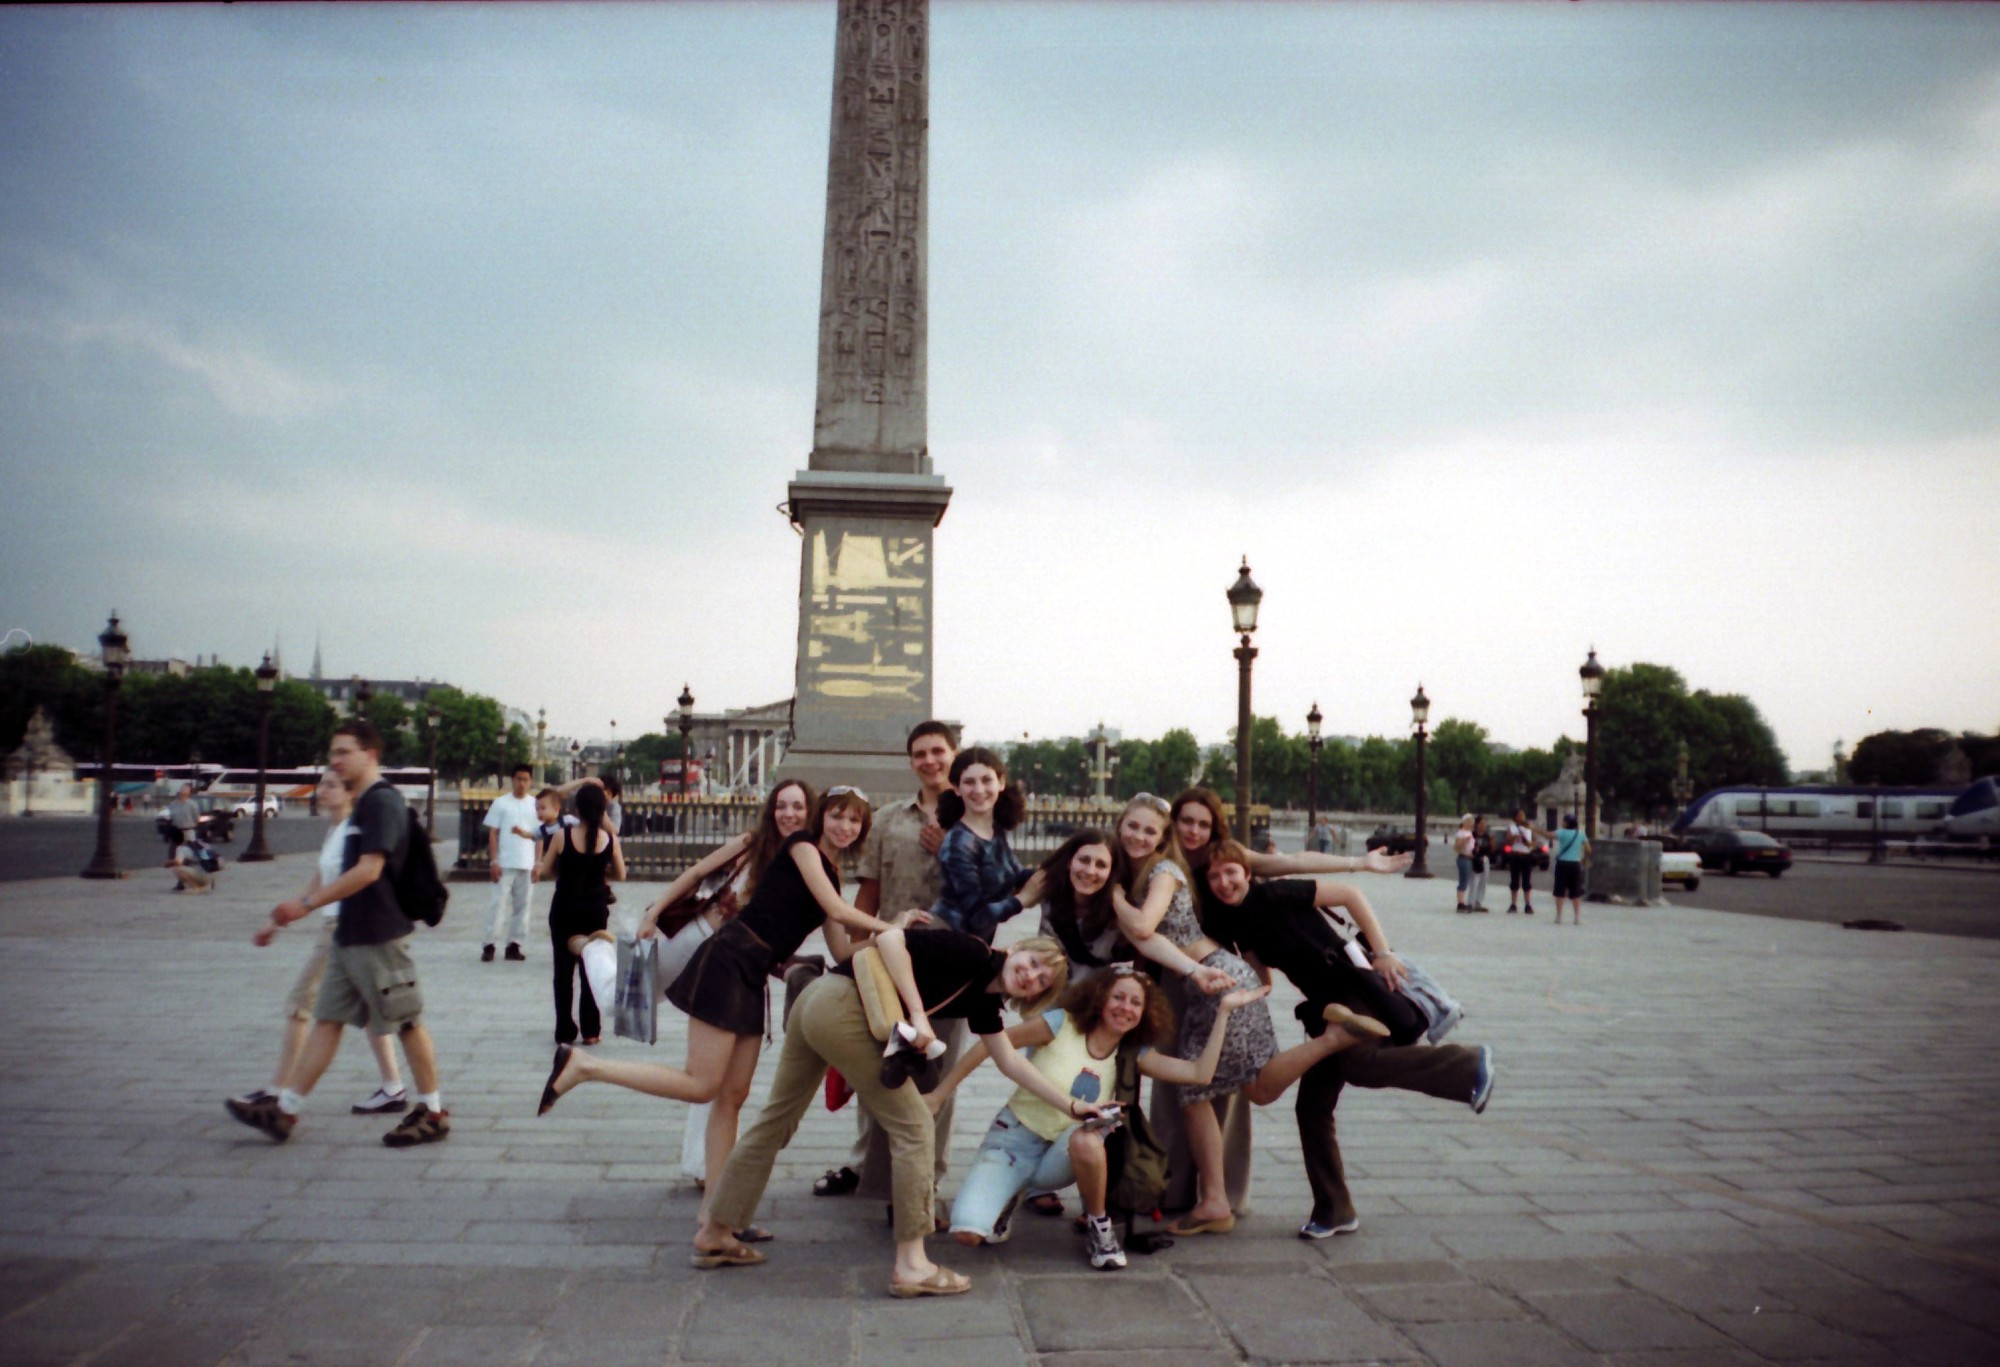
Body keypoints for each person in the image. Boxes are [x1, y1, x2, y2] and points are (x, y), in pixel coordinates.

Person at [539, 787, 899, 1234]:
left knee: (730, 1097)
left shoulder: (826, 870)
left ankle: (718, 1216)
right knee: (698, 1080)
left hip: (747, 971)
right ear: (820, 817)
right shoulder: (800, 847)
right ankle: (586, 1061)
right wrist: (893, 926)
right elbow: (835, 909)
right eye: (837, 816)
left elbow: (842, 945)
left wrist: (893, 947)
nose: (845, 826)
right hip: (723, 956)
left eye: (854, 821)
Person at [681, 926, 1078, 1297]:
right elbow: (889, 938)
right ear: (1017, 948)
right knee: (916, 1127)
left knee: (775, 1122)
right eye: (1033, 961)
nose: (1031, 975)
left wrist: (1073, 1105)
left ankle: (715, 1232)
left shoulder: (984, 998)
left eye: (1043, 981)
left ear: (1036, 997)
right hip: (843, 1007)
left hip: (818, 999)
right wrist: (920, 1015)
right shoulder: (974, 952)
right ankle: (912, 1265)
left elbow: (1011, 1062)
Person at [1202, 839, 1495, 1238]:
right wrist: (1235, 994)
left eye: (1231, 872)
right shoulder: (1236, 925)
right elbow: (1263, 977)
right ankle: (1334, 1209)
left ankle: (1467, 1065)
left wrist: (1384, 952)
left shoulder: (1276, 892)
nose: (1223, 881)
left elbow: (1350, 895)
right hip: (1326, 1005)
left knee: (1358, 1064)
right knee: (1312, 1107)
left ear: (1247, 874)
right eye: (1214, 876)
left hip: (1355, 986)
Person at [1154, 787, 1411, 1216]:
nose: (1194, 831)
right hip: (1181, 974)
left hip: (1212, 976)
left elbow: (1291, 863)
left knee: (1217, 1090)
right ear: (1174, 824)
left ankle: (1219, 1194)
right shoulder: (1165, 862)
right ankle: (1181, 1187)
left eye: (1203, 822)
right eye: (1187, 822)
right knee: (1184, 1088)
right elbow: (1250, 946)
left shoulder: (1228, 859)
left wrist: (1359, 863)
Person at [933, 967, 1268, 1269]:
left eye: (1135, 1002)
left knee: (1088, 1137)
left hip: (1065, 1153)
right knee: (968, 1235)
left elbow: (1199, 1073)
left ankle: (1099, 1226)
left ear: (1145, 1012)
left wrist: (1224, 1013)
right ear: (1099, 999)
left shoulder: (1132, 1054)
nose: (1125, 1007)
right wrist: (939, 1094)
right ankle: (1006, 1193)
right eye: (1118, 997)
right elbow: (988, 1045)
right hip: (1014, 1138)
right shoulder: (1061, 1023)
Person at [226, 720, 450, 1147]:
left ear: (370, 755)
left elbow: (370, 869)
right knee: (327, 1021)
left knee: (407, 1022)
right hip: (351, 932)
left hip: (379, 933)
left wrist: (306, 905)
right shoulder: (363, 803)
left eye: (344, 751)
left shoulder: (380, 803)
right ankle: (285, 1110)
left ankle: (434, 1111)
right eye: (333, 751)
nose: (335, 759)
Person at [639, 778, 815, 1193]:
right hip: (694, 939)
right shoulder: (752, 843)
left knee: (712, 1070)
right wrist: (654, 913)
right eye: (782, 806)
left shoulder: (805, 862)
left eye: (798, 807)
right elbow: (698, 871)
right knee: (622, 1003)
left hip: (730, 962)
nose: (789, 814)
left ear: (811, 812)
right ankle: (593, 949)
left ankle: (701, 1164)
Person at [817, 721, 955, 1203]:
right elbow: (869, 891)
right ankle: (866, 1166)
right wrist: (854, 955)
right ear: (911, 760)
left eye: (938, 751)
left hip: (951, 961)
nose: (930, 760)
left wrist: (955, 849)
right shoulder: (890, 819)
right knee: (879, 1061)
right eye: (920, 753)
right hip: (889, 956)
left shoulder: (976, 821)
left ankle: (927, 1175)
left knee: (940, 1070)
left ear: (953, 754)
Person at [228, 770, 407, 1116]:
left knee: (301, 1004)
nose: (322, 790)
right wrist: (278, 919)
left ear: (350, 792)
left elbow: (363, 878)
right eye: (322, 784)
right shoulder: (336, 830)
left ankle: (278, 1091)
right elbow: (318, 879)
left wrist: (305, 910)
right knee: (371, 1012)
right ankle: (393, 1087)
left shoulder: (354, 829)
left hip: (344, 926)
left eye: (331, 785)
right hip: (340, 925)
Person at [539, 781, 625, 1045]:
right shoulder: (609, 839)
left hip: (565, 908)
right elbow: (621, 874)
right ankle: (591, 1029)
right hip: (595, 911)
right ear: (602, 810)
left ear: (576, 809)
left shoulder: (562, 836)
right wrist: (600, 871)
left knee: (563, 972)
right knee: (592, 969)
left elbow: (544, 870)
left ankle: (564, 1029)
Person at [1036, 829, 1130, 983]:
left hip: (1091, 1000)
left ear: (1111, 872)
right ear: (1069, 861)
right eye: (1084, 860)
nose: (1090, 871)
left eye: (1101, 865)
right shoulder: (1047, 893)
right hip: (1048, 996)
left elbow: (1144, 935)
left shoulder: (1118, 912)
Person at [482, 763, 539, 963]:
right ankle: (490, 944)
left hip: (527, 861)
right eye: (518, 779)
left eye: (525, 780)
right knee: (498, 904)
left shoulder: (535, 804)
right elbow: (493, 833)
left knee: (523, 906)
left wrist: (538, 863)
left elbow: (539, 836)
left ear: (530, 781)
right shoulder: (501, 803)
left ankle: (515, 943)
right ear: (512, 780)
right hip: (505, 862)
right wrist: (494, 861)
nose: (522, 783)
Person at [1551, 813, 1590, 924]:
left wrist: (1534, 829)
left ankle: (1559, 916)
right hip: (1575, 864)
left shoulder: (1561, 832)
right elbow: (1589, 849)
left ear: (1566, 823)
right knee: (1575, 891)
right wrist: (1584, 860)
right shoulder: (1581, 834)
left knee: (1560, 891)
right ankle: (1577, 917)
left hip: (1562, 863)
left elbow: (1548, 835)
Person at [1505, 807, 1542, 915]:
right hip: (1515, 854)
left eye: (1523, 815)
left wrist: (1530, 843)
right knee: (1514, 880)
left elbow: (1535, 841)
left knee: (1527, 880)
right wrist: (1514, 837)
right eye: (1520, 815)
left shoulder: (1529, 827)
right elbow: (1508, 842)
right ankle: (1513, 903)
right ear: (1515, 817)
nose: (1522, 817)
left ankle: (1527, 903)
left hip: (1526, 854)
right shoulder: (1512, 828)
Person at [1467, 815, 1492, 912]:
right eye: (1481, 823)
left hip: (1485, 858)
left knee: (1483, 881)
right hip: (1474, 859)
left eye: (1484, 823)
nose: (1483, 825)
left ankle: (1479, 901)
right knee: (1474, 881)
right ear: (1476, 824)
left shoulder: (1487, 836)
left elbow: (1490, 849)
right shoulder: (1472, 835)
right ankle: (1470, 902)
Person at [1452, 815, 1476, 913]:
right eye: (1469, 821)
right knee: (1463, 880)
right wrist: (1464, 841)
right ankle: (1460, 902)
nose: (1471, 823)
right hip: (1463, 858)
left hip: (1469, 858)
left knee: (1466, 880)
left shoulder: (1469, 833)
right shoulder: (1461, 833)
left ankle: (1463, 901)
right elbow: (1457, 847)